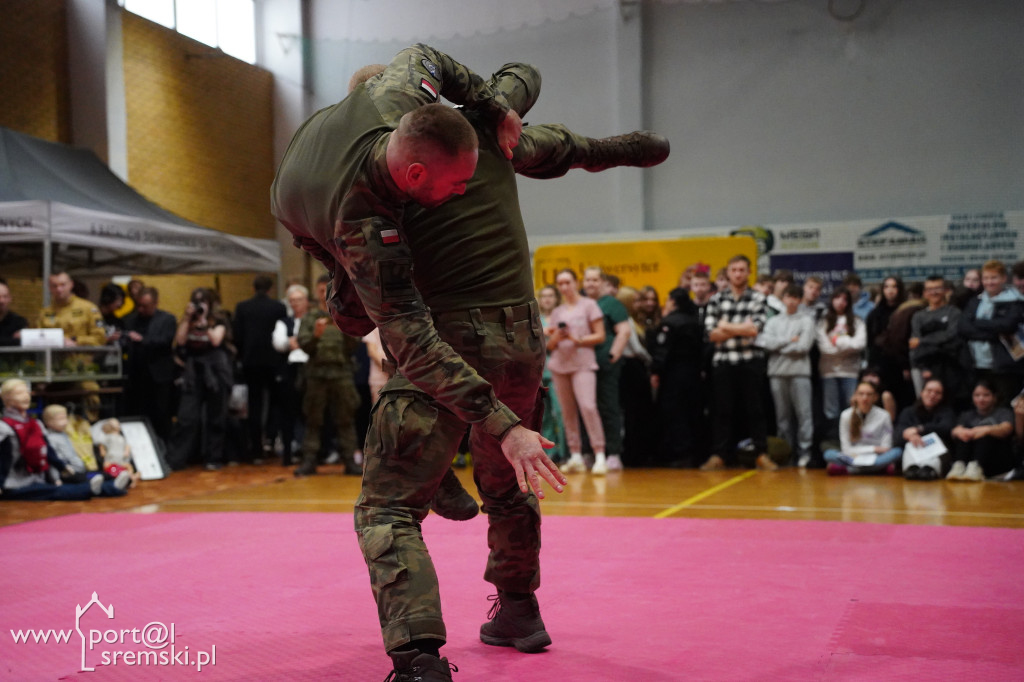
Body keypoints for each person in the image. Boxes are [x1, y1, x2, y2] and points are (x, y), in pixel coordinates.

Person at [272, 46, 667, 680]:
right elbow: (546, 125)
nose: (456, 191)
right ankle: (518, 610)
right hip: (521, 338)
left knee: (389, 505)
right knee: (508, 482)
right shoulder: (472, 141)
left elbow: (361, 316)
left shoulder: (365, 192)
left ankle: (419, 658)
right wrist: (536, 117)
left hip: (445, 347)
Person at [701, 254, 774, 471]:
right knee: (722, 410)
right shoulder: (716, 299)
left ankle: (761, 453)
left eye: (742, 270)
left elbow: (754, 330)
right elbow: (711, 334)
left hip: (750, 361)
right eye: (734, 270)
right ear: (728, 272)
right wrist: (739, 328)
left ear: (749, 272)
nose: (738, 274)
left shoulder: (758, 298)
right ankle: (720, 454)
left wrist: (726, 326)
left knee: (755, 410)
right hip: (724, 361)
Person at [294, 275, 362, 477]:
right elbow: (304, 346)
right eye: (321, 290)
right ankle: (309, 461)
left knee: (345, 419)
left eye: (327, 289)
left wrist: (345, 329)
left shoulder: (343, 316)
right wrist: (315, 335)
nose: (324, 294)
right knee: (313, 420)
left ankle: (350, 461)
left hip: (341, 374)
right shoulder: (310, 318)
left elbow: (353, 346)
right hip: (316, 375)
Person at [0, 378, 100, 500]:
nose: (26, 396)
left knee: (82, 479)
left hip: (38, 478)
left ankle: (108, 486)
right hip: (13, 484)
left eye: (27, 392)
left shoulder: (36, 424)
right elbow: (2, 459)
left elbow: (48, 451)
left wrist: (63, 468)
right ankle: (94, 489)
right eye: (19, 393)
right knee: (63, 491)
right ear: (6, 398)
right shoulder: (4, 427)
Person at [548, 268, 607, 474]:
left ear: (575, 282)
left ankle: (600, 455)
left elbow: (600, 335)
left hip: (583, 363)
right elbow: (550, 345)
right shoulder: (557, 312)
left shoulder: (589, 305)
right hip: (559, 364)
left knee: (588, 407)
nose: (564, 287)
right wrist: (557, 337)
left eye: (567, 282)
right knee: (567, 412)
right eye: (560, 284)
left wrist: (577, 338)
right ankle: (575, 455)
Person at [166, 287, 233, 471]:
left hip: (216, 370)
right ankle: (176, 458)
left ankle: (214, 457)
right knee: (187, 416)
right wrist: (188, 319)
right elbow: (179, 341)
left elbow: (216, 341)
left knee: (216, 417)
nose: (199, 305)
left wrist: (204, 323)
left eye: (203, 301)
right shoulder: (188, 319)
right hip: (193, 371)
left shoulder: (218, 319)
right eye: (196, 301)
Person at [758, 283, 816, 467]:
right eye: (788, 297)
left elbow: (803, 347)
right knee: (782, 418)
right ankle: (785, 453)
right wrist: (789, 340)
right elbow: (766, 343)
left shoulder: (806, 320)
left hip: (800, 373)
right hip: (777, 373)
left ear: (799, 300)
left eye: (795, 298)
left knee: (804, 415)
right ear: (783, 299)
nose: (791, 301)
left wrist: (779, 345)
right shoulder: (774, 321)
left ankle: (804, 453)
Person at [233, 275, 289, 463]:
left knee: (254, 404)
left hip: (251, 361)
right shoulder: (278, 308)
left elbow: (238, 336)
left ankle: (256, 449)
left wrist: (243, 355)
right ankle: (271, 439)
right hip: (273, 361)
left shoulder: (242, 307)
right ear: (270, 289)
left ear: (253, 288)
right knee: (276, 402)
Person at [583, 268, 631, 473]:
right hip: (582, 365)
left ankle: (613, 453)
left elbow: (624, 331)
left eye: (595, 280)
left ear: (602, 282)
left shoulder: (612, 304)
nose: (591, 283)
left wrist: (613, 355)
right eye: (587, 280)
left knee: (608, 406)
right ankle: (588, 452)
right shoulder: (580, 304)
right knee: (586, 408)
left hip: (605, 364)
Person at [649, 287, 705, 467]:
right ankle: (696, 451)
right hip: (694, 373)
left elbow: (662, 351)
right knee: (693, 411)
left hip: (673, 374)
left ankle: (680, 453)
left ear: (672, 301)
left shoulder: (670, 323)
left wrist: (655, 370)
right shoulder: (695, 321)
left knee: (675, 412)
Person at [959, 260, 1024, 407]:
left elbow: (1007, 326)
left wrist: (977, 323)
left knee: (1005, 405)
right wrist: (994, 333)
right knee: (980, 405)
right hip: (976, 364)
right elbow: (963, 327)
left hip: (1004, 367)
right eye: (986, 278)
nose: (989, 282)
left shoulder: (1015, 301)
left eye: (993, 278)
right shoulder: (975, 301)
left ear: (1003, 279)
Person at [121, 287, 176, 445]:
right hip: (135, 375)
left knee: (161, 414)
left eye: (145, 306)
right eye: (139, 305)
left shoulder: (167, 319)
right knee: (136, 412)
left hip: (159, 375)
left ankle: (165, 448)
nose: (141, 309)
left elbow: (165, 341)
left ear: (155, 303)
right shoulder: (129, 320)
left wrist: (142, 340)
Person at [816, 287, 866, 437]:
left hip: (850, 371)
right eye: (837, 298)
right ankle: (835, 439)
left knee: (851, 406)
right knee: (831, 410)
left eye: (845, 299)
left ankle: (853, 437)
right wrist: (847, 345)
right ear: (831, 300)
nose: (840, 302)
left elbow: (860, 344)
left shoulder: (856, 321)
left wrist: (837, 341)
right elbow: (824, 348)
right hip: (829, 371)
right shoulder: (824, 321)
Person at [824, 380, 901, 476]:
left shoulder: (884, 415)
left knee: (897, 452)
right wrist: (874, 449)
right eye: (861, 394)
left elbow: (886, 448)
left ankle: (850, 470)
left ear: (875, 397)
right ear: (855, 396)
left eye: (869, 394)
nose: (865, 398)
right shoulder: (846, 415)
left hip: (876, 458)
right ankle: (876, 470)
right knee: (829, 454)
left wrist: (875, 452)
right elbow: (846, 449)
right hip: (853, 457)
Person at [272, 284, 311, 466]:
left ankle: (310, 454)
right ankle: (288, 453)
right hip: (289, 371)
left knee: (310, 413)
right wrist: (301, 342)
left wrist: (297, 341)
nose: (295, 304)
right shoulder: (283, 322)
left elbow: (316, 342)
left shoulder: (313, 320)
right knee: (287, 413)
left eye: (299, 300)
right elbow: (279, 343)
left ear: (306, 301)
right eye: (292, 301)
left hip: (310, 370)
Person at [947, 379, 1016, 481]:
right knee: (963, 436)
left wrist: (985, 430)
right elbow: (955, 431)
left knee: (986, 436)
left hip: (995, 459)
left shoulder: (1003, 412)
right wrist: (966, 433)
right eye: (977, 395)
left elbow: (1007, 428)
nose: (981, 399)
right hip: (968, 457)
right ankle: (959, 466)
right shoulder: (967, 414)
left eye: (986, 395)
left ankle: (976, 467)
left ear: (994, 397)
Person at [616, 285, 654, 468]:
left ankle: (639, 452)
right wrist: (649, 359)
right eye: (636, 300)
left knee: (638, 412)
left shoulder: (634, 320)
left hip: (634, 367)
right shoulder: (626, 321)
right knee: (633, 411)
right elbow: (636, 348)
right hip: (631, 368)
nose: (640, 304)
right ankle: (633, 454)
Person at [909, 276, 962, 400]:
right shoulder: (918, 316)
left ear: (945, 290)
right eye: (929, 289)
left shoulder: (954, 312)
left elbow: (951, 336)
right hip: (923, 367)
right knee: (923, 403)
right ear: (924, 293)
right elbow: (913, 343)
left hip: (948, 366)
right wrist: (921, 367)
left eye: (937, 288)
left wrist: (923, 341)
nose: (934, 292)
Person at [894, 378, 955, 481]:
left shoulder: (947, 412)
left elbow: (946, 428)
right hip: (913, 450)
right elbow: (898, 434)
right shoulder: (908, 412)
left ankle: (930, 470)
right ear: (922, 392)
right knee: (909, 445)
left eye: (937, 393)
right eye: (929, 391)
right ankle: (911, 469)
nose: (932, 395)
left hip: (937, 454)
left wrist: (920, 429)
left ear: (942, 396)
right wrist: (909, 435)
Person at [536, 285, 567, 465]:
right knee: (544, 414)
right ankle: (549, 452)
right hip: (540, 372)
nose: (547, 299)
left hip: (558, 369)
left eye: (550, 296)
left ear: (556, 298)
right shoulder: (535, 319)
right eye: (544, 296)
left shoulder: (561, 317)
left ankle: (565, 452)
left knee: (561, 412)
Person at [0, 281, 28, 346]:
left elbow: (22, 343)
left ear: (10, 299)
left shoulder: (19, 322)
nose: (2, 301)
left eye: (5, 297)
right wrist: (10, 340)